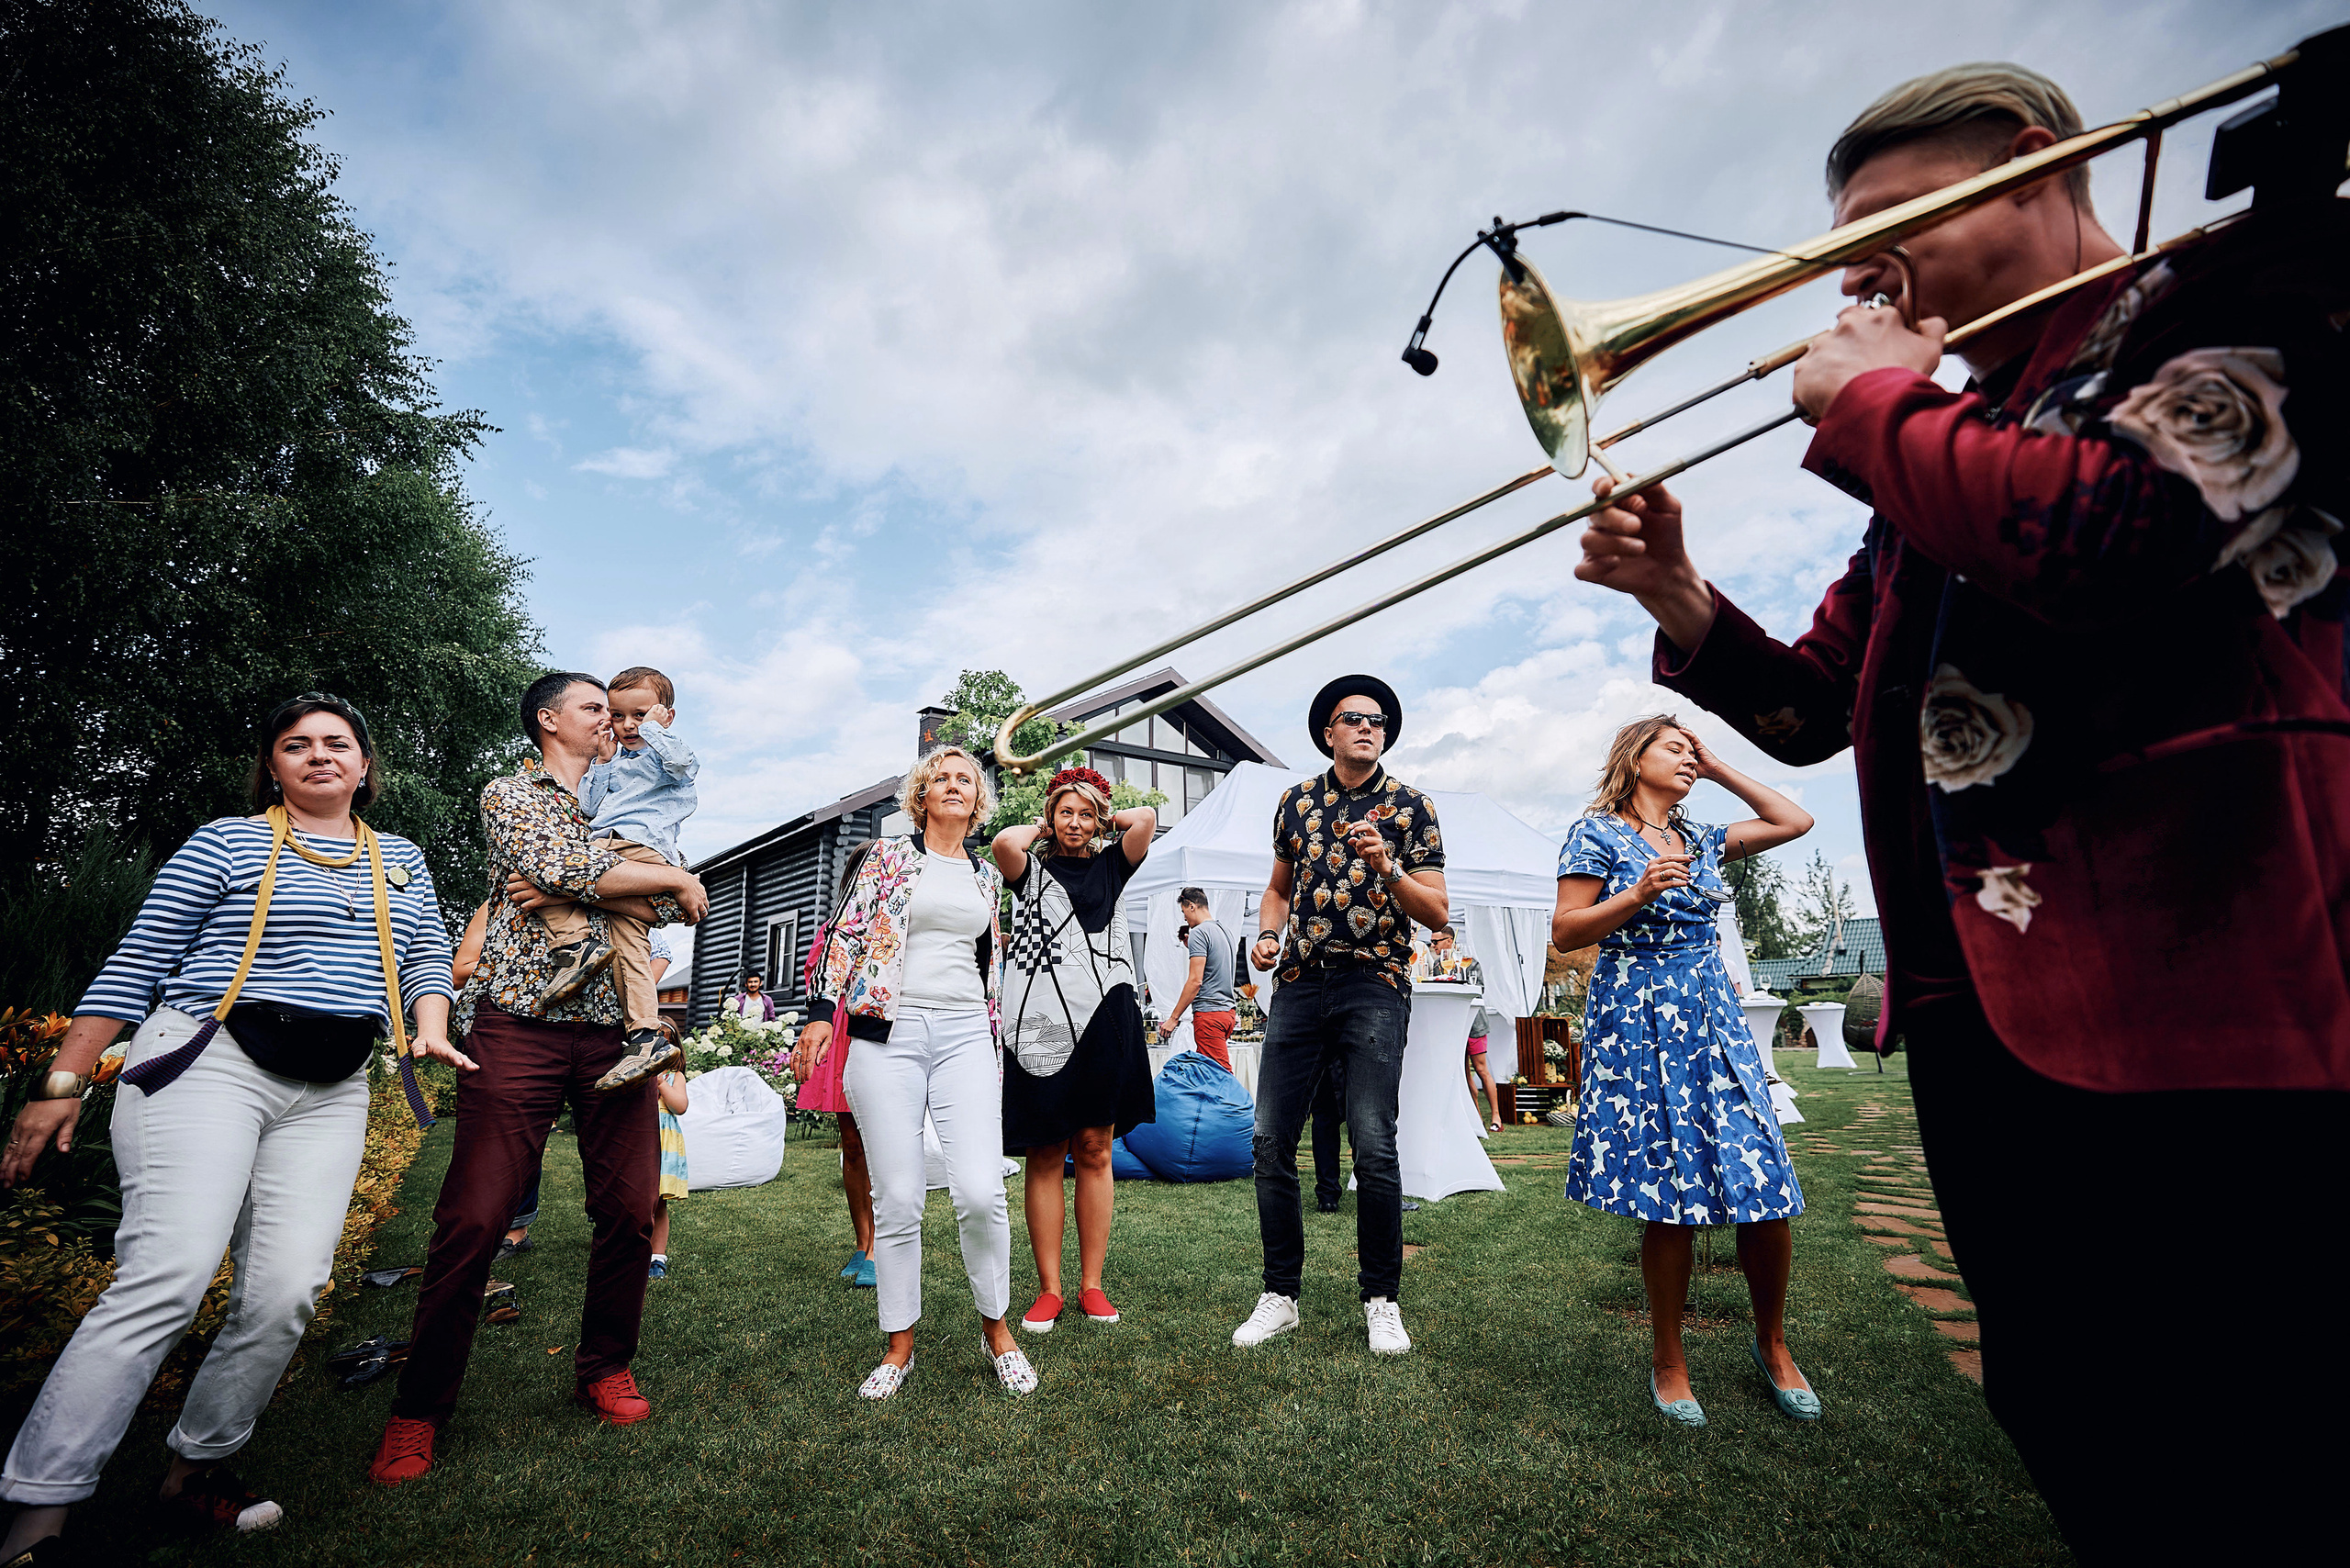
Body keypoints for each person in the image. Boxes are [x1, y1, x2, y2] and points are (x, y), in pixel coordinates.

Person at [1571, 58, 2345, 1556]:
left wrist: (1870, 399)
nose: (1861, 270)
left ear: (2039, 160)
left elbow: (2111, 538)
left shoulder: (2235, 283)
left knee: (2267, 1430)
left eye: (1891, 220)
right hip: (1984, 1007)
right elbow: (1810, 709)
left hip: (2218, 987)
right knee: (2081, 1412)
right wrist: (1679, 592)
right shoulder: (1958, 440)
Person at [0, 694, 460, 1558]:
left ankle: (194, 1471)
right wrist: (62, 1079)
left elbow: (428, 951)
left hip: (330, 1086)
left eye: (337, 744)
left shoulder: (399, 858)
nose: (319, 756)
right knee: (168, 1276)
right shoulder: (224, 841)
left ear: (365, 766)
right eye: (297, 746)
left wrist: (428, 1024)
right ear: (273, 767)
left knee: (287, 1292)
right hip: (207, 1059)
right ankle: (38, 1509)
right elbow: (137, 960)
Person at [369, 671, 708, 1484]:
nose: (611, 720)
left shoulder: (629, 788)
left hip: (612, 1038)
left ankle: (604, 1366)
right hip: (519, 1027)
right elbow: (566, 870)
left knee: (629, 1210)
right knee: (476, 1218)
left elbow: (663, 905)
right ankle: (418, 1411)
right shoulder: (508, 792)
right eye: (596, 707)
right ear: (549, 720)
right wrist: (662, 878)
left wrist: (654, 880)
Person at [1552, 716, 1815, 1427]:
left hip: (1710, 1011)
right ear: (1636, 758)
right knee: (1666, 1184)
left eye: (1694, 751)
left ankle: (1774, 1345)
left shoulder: (1700, 836)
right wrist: (1635, 894)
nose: (1690, 760)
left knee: (1764, 1174)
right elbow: (1567, 930)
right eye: (1677, 748)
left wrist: (1720, 766)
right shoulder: (1596, 832)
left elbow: (1795, 820)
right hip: (1638, 1015)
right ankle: (1670, 1360)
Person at [791, 745, 1035, 1400]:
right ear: (921, 797)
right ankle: (899, 1346)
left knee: (982, 1193)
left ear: (977, 801)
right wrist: (820, 1013)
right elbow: (845, 935)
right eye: (941, 778)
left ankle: (998, 1332)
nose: (953, 786)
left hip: (964, 1038)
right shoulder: (887, 858)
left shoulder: (986, 878)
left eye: (966, 780)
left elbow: (991, 963)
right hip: (886, 1036)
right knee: (897, 1198)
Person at [1232, 676, 1448, 1356]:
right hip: (1298, 982)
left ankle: (1381, 1299)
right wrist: (1266, 936)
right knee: (1269, 1139)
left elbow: (1437, 911)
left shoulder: (1412, 807)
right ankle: (1280, 1295)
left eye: (1378, 720)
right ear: (1328, 731)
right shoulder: (1294, 802)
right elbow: (1277, 888)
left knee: (1375, 1143)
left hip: (1374, 983)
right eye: (1353, 718)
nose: (1368, 727)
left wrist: (1388, 866)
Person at [992, 767, 1158, 1333]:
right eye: (1066, 812)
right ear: (1049, 814)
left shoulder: (1116, 864)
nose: (1076, 823)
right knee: (1045, 1150)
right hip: (1041, 1021)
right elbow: (1002, 843)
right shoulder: (1029, 868)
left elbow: (1147, 820)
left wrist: (1100, 813)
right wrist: (1044, 825)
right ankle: (1049, 1290)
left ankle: (1092, 1285)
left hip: (1107, 1016)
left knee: (1094, 1148)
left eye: (1085, 814)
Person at [540, 666, 698, 1093]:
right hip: (609, 844)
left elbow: (686, 762)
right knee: (631, 948)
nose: (628, 725)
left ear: (665, 714)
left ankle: (576, 946)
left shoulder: (665, 755)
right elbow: (589, 805)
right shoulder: (619, 759)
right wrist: (606, 763)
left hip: (637, 850)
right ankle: (646, 1034)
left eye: (639, 715)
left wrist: (656, 730)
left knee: (550, 878)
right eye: (618, 715)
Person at [498, 924, 676, 1263]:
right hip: (541, 1028)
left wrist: (627, 1000)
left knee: (610, 1144)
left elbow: (662, 947)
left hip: (608, 1034)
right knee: (526, 1139)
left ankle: (611, 1216)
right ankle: (514, 1227)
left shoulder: (629, 915)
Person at [800, 841, 878, 1289]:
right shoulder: (834, 927)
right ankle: (862, 1240)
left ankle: (883, 1246)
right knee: (852, 1143)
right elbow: (817, 980)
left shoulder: (899, 922)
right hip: (840, 1037)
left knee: (884, 1142)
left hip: (879, 1034)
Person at [1158, 887, 1238, 1071]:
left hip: (1210, 1014)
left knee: (1219, 1073)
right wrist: (1192, 948)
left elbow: (1195, 981)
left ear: (1192, 906)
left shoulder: (1199, 933)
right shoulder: (1224, 931)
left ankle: (1237, 1101)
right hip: (1226, 1013)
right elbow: (1216, 966)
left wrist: (1173, 1018)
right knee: (1209, 1072)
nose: (1184, 917)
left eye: (1184, 911)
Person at [649, 1060, 688, 1279]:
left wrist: (662, 1085)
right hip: (637, 1140)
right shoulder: (631, 1072)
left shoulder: (675, 1077)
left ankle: (657, 1257)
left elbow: (680, 1107)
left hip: (663, 1146)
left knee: (658, 1202)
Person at [1464, 1005, 1501, 1135]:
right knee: (1464, 1073)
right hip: (1456, 1026)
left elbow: (1479, 989)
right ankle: (1477, 1118)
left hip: (1476, 1027)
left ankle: (1496, 1117)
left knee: (1481, 1070)